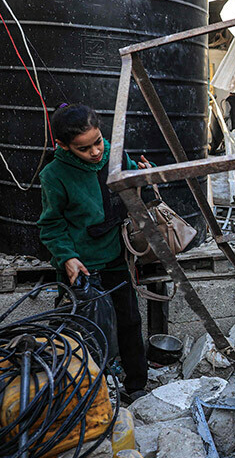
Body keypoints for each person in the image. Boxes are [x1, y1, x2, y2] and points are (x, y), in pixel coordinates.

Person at [38, 104, 151, 404]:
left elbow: (134, 190)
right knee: (82, 329)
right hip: (81, 265)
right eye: (84, 148)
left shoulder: (114, 155)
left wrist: (142, 177)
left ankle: (137, 384)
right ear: (62, 145)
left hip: (114, 256)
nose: (96, 152)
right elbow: (50, 226)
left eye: (98, 141)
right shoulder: (54, 175)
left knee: (129, 321)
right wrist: (67, 257)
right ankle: (86, 389)